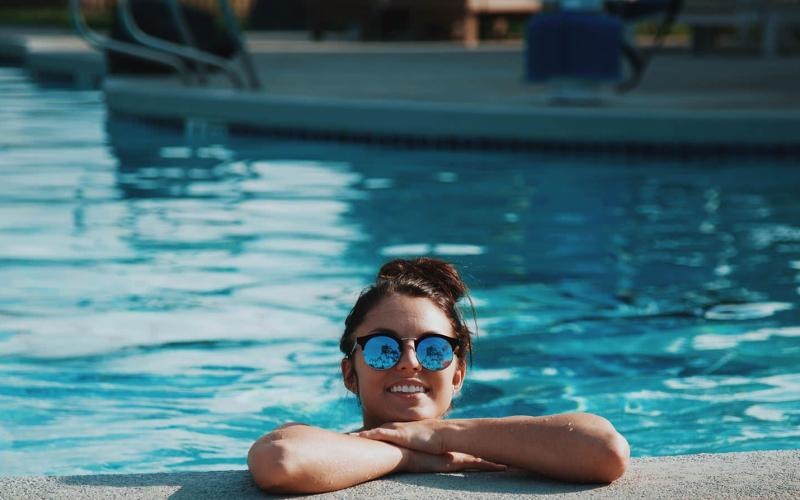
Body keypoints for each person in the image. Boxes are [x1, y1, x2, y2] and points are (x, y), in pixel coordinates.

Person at [248, 258, 629, 494]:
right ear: (350, 373)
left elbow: (604, 451)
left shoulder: (510, 445)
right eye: (384, 348)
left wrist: (442, 435)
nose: (410, 362)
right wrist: (412, 457)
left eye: (434, 349)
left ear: (458, 374)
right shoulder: (321, 445)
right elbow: (282, 460)